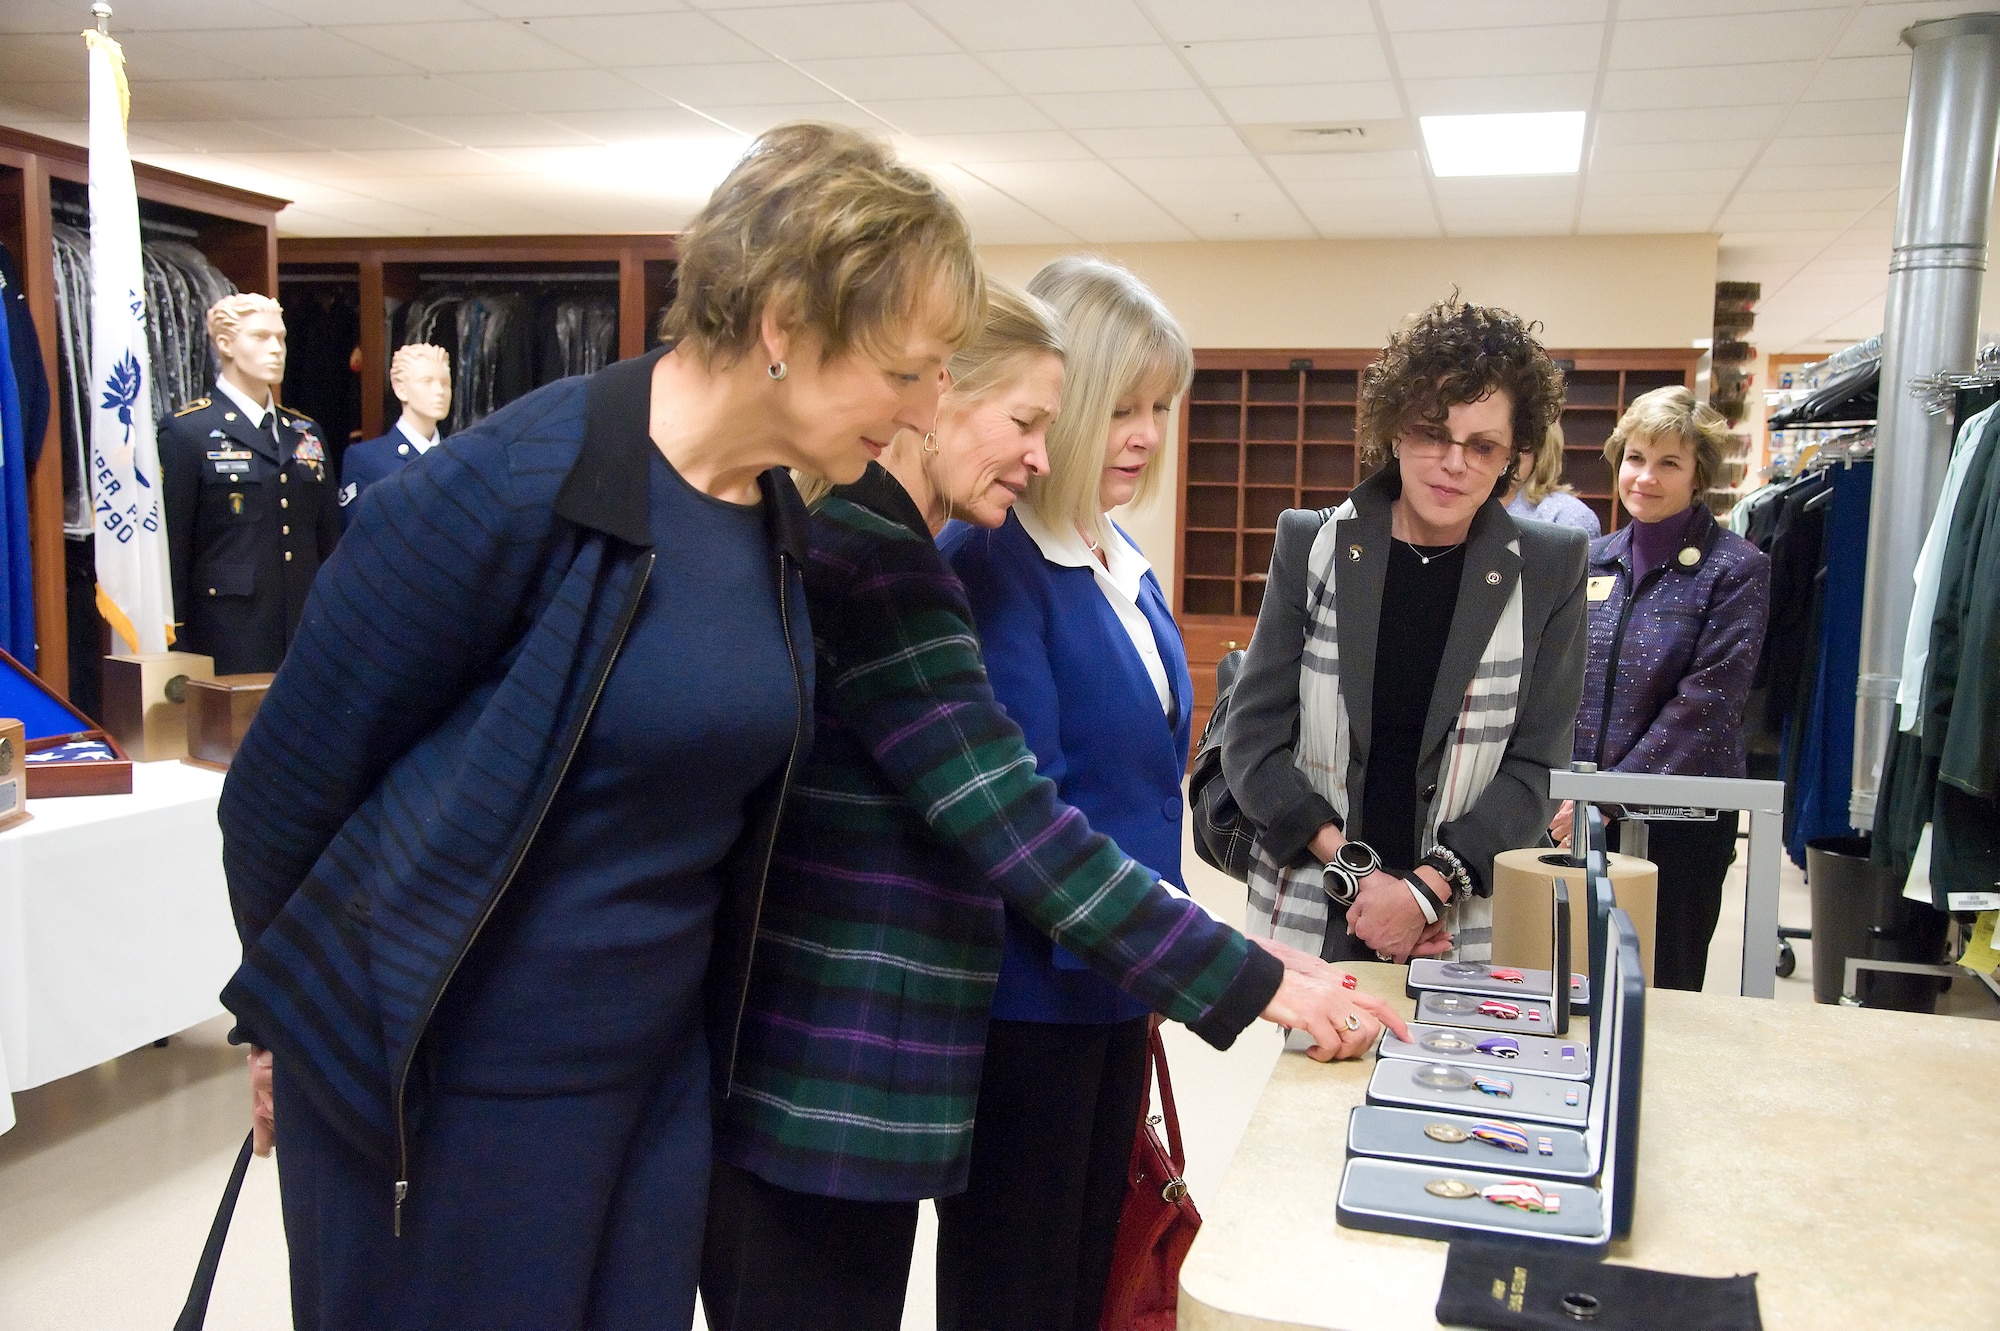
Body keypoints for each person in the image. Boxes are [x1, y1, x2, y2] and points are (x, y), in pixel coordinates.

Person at [216, 122, 981, 1331]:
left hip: (645, 1088)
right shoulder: (512, 485)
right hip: (450, 1098)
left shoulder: (776, 515)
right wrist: (302, 1033)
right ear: (784, 323)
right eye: (907, 369)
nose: (931, 410)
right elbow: (279, 796)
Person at [700, 280, 1400, 1331]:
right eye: (1029, 420)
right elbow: (1018, 822)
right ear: (936, 391)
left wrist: (1255, 960)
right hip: (823, 1061)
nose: (1042, 452)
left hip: (852, 1065)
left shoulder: (872, 540)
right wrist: (1256, 980)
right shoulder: (885, 561)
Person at [932, 256, 1203, 1330]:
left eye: (1158, 407)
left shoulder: (1112, 550)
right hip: (1028, 1003)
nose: (1141, 432)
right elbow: (1023, 817)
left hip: (1115, 979)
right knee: (1017, 1284)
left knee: (1089, 1267)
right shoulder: (993, 562)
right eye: (1121, 405)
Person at [1223, 295, 1589, 968]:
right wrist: (1364, 880)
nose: (1455, 463)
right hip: (1321, 897)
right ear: (1396, 430)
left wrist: (1422, 892)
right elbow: (1251, 743)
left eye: (1482, 446)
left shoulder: (1549, 566)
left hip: (1461, 914)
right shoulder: (1312, 544)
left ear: (1511, 455)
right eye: (1432, 433)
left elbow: (1536, 767)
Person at [1558, 386, 1771, 991]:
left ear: (1699, 474)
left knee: (1665, 985)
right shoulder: (1590, 560)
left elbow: (1708, 703)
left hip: (1679, 820)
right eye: (1634, 458)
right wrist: (1565, 790)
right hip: (1572, 812)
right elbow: (1557, 682)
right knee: (1569, 975)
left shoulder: (1735, 568)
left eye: (1668, 463)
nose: (1645, 477)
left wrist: (1605, 796)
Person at [159, 293, 341, 673]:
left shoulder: (305, 431)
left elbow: (328, 543)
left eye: (281, 337)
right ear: (225, 343)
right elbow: (174, 549)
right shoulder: (189, 431)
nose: (276, 349)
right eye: (260, 337)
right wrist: (178, 641)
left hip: (305, 630)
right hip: (227, 634)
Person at [338, 342, 451, 525]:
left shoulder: (459, 456)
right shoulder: (366, 459)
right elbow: (359, 538)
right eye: (427, 382)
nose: (439, 391)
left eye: (445, 383)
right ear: (400, 388)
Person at [1505, 420, 1601, 537]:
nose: (1507, 453)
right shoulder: (1480, 505)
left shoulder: (1569, 517)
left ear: (1541, 452)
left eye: (1520, 443)